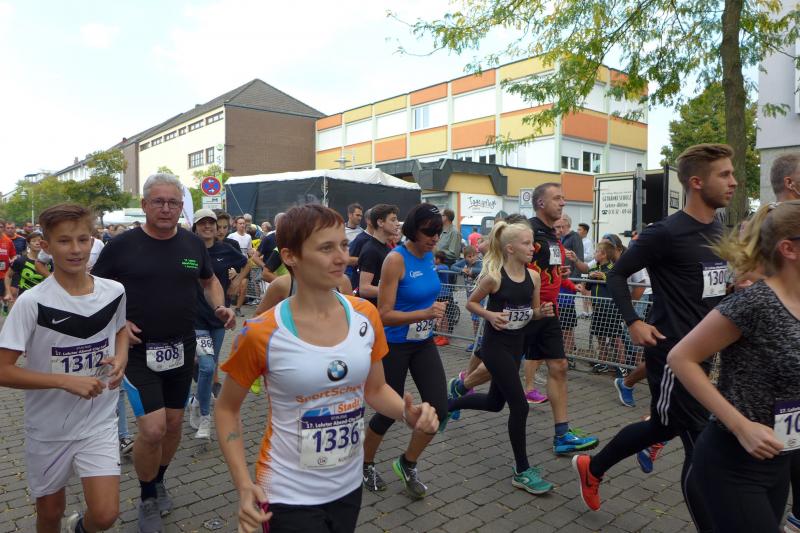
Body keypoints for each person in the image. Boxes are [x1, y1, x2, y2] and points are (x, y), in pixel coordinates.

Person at [215, 204, 437, 533]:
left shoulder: (365, 316)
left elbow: (375, 389)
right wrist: (244, 484)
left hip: (347, 486)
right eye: (326, 248)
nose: (341, 258)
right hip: (287, 491)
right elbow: (226, 409)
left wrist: (408, 414)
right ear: (290, 256)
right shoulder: (262, 332)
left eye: (344, 246)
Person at [572, 144, 737, 532]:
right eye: (724, 174)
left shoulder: (718, 229)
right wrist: (633, 321)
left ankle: (592, 467)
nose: (733, 182)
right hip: (674, 352)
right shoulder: (665, 232)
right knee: (699, 446)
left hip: (705, 350)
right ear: (697, 182)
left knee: (663, 427)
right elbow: (616, 275)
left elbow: (710, 288)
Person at [92, 173, 236, 533]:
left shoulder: (192, 244)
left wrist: (219, 305)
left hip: (181, 348)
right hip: (138, 353)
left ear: (180, 206)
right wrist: (118, 324)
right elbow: (92, 288)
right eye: (158, 201)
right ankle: (146, 497)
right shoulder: (121, 246)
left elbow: (209, 280)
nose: (166, 208)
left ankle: (158, 481)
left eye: (173, 202)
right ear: (144, 205)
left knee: (172, 426)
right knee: (153, 429)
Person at [667, 200, 800, 532]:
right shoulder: (755, 302)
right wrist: (741, 426)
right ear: (789, 249)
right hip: (733, 461)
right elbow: (681, 358)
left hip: (779, 459)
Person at [0, 203, 128, 533]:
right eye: (64, 241)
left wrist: (121, 357)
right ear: (46, 245)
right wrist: (64, 381)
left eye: (83, 239)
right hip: (49, 429)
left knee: (105, 515)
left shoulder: (114, 291)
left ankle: (78, 528)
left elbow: (121, 330)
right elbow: (3, 370)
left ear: (93, 240)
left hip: (99, 421)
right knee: (50, 512)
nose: (76, 249)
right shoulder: (32, 302)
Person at [447, 219, 557, 494]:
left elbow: (532, 314)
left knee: (495, 403)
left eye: (533, 243)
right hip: (495, 347)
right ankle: (521, 470)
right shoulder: (494, 277)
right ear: (510, 248)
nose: (532, 248)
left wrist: (541, 313)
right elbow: (471, 302)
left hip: (517, 346)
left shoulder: (533, 277)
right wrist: (489, 314)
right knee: (520, 407)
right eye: (526, 244)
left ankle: (447, 405)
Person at [359, 204, 447, 499]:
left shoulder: (429, 255)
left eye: (438, 232)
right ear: (413, 229)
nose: (434, 238)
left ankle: (407, 463)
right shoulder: (395, 259)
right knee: (388, 412)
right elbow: (383, 315)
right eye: (429, 232)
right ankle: (365, 464)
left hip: (423, 343)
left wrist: (429, 315)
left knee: (439, 408)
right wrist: (424, 313)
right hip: (394, 344)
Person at [524, 183, 599, 453]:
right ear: (541, 203)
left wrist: (562, 277)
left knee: (559, 366)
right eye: (557, 198)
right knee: (492, 368)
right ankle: (461, 386)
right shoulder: (528, 231)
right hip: (526, 311)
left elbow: (548, 268)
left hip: (549, 310)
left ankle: (562, 435)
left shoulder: (552, 235)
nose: (563, 203)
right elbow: (509, 264)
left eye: (563, 198)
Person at [187, 209, 248, 440]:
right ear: (195, 227)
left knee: (210, 366)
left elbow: (247, 263)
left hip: (219, 318)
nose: (208, 227)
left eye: (211, 223)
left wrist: (236, 282)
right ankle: (205, 417)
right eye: (202, 223)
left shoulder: (226, 248)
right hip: (196, 318)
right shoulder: (188, 249)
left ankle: (195, 400)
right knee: (206, 367)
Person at [357, 204, 399, 306]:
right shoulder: (370, 250)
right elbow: (364, 289)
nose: (397, 224)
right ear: (380, 222)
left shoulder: (387, 247)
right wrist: (396, 290)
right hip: (374, 310)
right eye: (393, 220)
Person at [347, 207, 373, 288]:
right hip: (349, 273)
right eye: (357, 215)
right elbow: (348, 259)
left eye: (361, 216)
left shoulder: (361, 231)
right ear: (350, 215)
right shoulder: (340, 230)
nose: (359, 218)